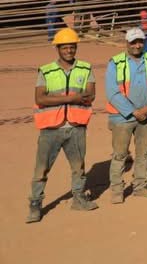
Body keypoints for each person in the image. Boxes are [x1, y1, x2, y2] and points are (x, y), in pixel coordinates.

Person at [27, 28, 98, 223]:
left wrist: (58, 98)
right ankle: (35, 204)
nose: (69, 51)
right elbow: (40, 98)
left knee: (78, 168)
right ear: (57, 49)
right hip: (51, 128)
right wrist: (73, 97)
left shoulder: (85, 68)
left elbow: (90, 95)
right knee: (41, 169)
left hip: (76, 127)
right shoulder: (46, 70)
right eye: (64, 47)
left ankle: (78, 198)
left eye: (72, 47)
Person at [105, 27, 147, 203]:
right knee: (120, 155)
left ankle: (140, 186)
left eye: (140, 42)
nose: (137, 45)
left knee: (143, 154)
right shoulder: (115, 63)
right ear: (127, 43)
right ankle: (117, 190)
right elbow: (112, 92)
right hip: (122, 117)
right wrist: (133, 111)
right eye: (133, 42)